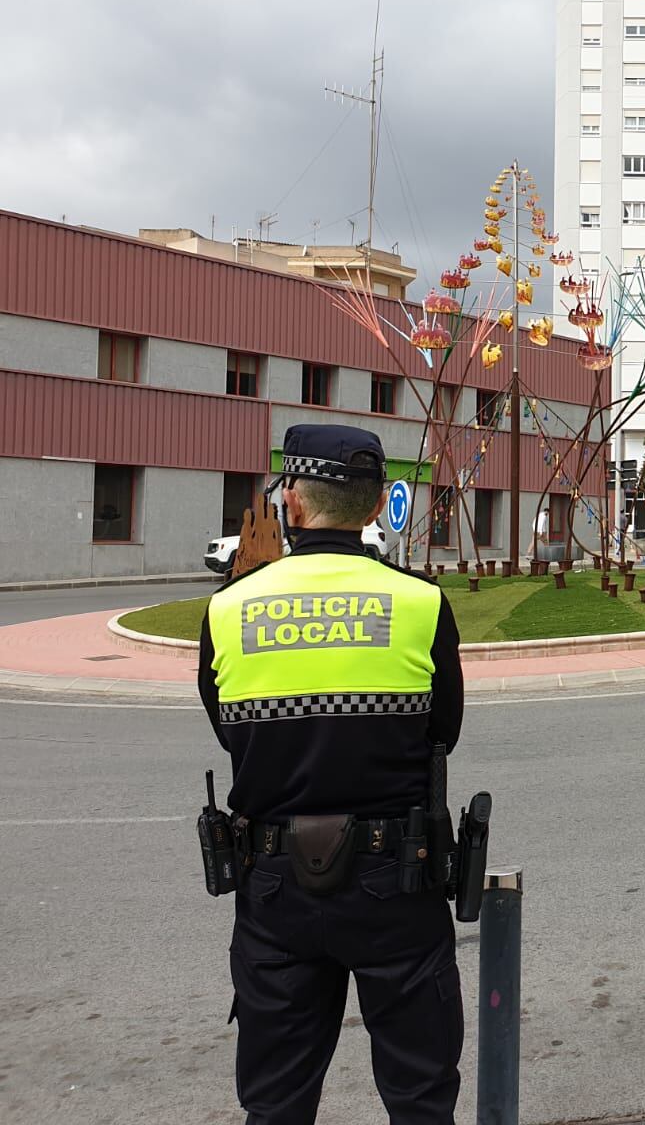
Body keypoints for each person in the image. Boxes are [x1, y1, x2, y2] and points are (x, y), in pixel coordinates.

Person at [199, 425, 465, 1124]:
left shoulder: (228, 610)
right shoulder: (421, 603)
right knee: (420, 1098)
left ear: (291, 501)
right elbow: (443, 733)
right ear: (376, 507)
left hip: (274, 887)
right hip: (397, 881)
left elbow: (230, 733)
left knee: (277, 1101)